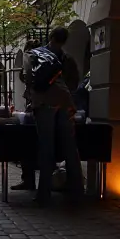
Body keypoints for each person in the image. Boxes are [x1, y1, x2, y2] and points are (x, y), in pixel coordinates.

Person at [24, 27, 83, 205]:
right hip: (64, 102)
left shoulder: (35, 55)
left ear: (50, 37)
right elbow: (75, 82)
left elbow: (27, 78)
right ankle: (76, 190)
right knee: (70, 146)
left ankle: (44, 193)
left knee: (46, 146)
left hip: (44, 103)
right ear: (65, 40)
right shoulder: (68, 59)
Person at [13, 40, 41, 192]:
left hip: (38, 106)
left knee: (28, 143)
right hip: (52, 106)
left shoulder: (30, 59)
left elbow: (25, 77)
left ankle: (29, 180)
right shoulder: (50, 59)